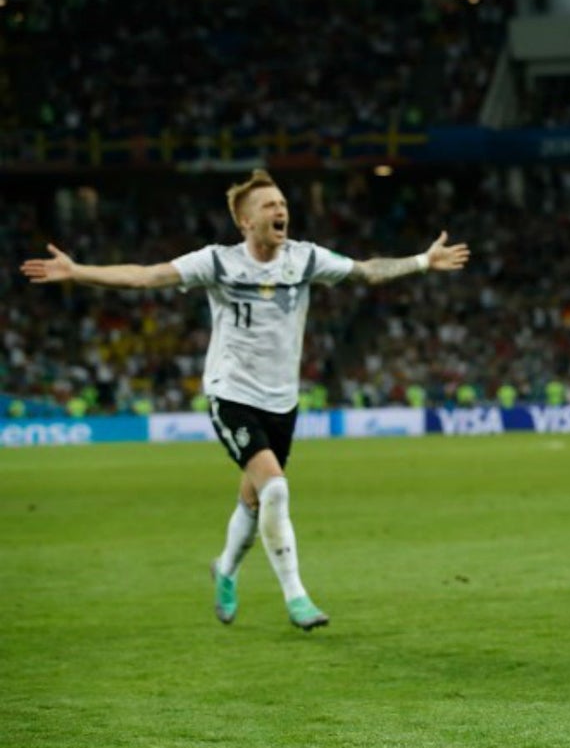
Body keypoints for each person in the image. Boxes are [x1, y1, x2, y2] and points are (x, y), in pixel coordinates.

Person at [21, 169, 470, 631]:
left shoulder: (305, 258)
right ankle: (297, 597)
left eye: (282, 203)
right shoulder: (217, 262)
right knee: (275, 487)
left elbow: (366, 271)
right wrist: (78, 272)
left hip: (282, 402)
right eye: (268, 206)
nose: (281, 210)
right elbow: (145, 277)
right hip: (231, 393)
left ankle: (226, 570)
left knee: (255, 502)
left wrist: (422, 261)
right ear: (245, 222)